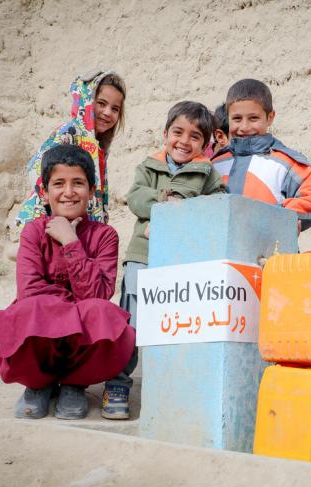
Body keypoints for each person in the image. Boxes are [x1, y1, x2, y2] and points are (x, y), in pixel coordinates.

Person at [0, 144, 135, 420]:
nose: (69, 192)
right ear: (45, 192)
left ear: (92, 191)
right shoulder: (34, 232)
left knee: (102, 313)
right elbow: (29, 290)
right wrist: (72, 309)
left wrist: (71, 242)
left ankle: (74, 384)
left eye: (78, 183)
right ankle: (38, 385)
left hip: (79, 339)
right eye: (59, 184)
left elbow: (98, 294)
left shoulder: (105, 236)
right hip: (44, 334)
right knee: (29, 310)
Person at [114, 101, 224, 416]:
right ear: (165, 134)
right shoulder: (147, 167)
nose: (184, 142)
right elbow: (136, 198)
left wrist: (183, 210)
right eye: (178, 132)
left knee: (175, 325)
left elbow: (216, 206)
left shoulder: (207, 174)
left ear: (206, 144)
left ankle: (174, 392)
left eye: (194, 137)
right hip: (143, 257)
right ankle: (118, 383)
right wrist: (166, 203)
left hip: (180, 261)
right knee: (131, 324)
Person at [212, 78, 311, 232]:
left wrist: (277, 216)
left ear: (270, 117)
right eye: (237, 119)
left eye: (253, 118)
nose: (244, 127)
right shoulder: (215, 163)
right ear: (228, 117)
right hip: (221, 251)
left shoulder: (286, 162)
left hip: (270, 251)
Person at [16, 70, 126, 226]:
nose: (107, 112)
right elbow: (35, 168)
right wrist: (60, 211)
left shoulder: (96, 146)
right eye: (101, 103)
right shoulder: (69, 133)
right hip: (53, 226)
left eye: (115, 109)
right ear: (86, 101)